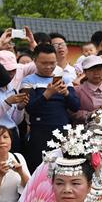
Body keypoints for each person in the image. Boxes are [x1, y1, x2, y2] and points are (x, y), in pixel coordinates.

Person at [22, 43, 80, 172]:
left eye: (52, 63)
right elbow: (30, 108)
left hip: (62, 132)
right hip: (39, 132)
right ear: (35, 61)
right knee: (39, 171)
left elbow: (75, 106)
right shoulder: (28, 81)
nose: (49, 67)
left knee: (63, 170)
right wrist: (47, 94)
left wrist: (66, 93)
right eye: (44, 63)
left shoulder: (64, 79)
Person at [0, 49, 27, 151]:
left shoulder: (13, 90)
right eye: (6, 71)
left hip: (12, 133)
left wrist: (20, 107)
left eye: (13, 70)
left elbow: (15, 121)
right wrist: (8, 102)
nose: (11, 74)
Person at [72, 56, 102, 123]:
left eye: (99, 69)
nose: (96, 73)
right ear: (85, 72)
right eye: (92, 70)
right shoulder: (76, 90)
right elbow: (72, 112)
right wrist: (90, 115)